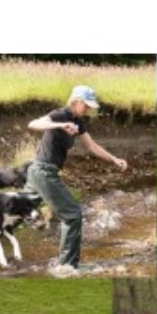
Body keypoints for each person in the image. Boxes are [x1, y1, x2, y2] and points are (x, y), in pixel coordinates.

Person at [27, 85, 128, 272]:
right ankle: (67, 267)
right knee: (73, 215)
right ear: (76, 101)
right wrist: (59, 125)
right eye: (87, 105)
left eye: (91, 106)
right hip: (42, 172)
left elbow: (92, 147)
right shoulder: (61, 114)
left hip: (39, 172)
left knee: (17, 208)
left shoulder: (78, 121)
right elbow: (33, 124)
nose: (89, 109)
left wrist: (114, 160)